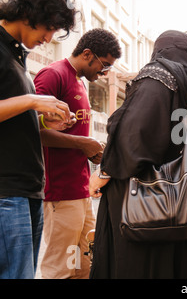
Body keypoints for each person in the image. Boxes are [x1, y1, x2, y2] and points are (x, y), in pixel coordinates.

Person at [89, 30, 187, 279]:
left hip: (149, 219)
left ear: (158, 52)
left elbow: (135, 133)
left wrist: (105, 170)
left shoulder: (159, 76)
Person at [0, 0, 77, 279]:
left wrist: (43, 118)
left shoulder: (17, 55)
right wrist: (33, 100)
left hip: (28, 190)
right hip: (7, 192)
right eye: (50, 27)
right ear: (30, 12)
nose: (49, 37)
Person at [33, 28, 122, 279]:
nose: (104, 73)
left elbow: (71, 136)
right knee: (59, 269)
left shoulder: (80, 82)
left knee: (83, 268)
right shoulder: (53, 75)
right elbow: (34, 132)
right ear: (87, 54)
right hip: (59, 192)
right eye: (104, 65)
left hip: (80, 190)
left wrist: (90, 150)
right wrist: (83, 145)